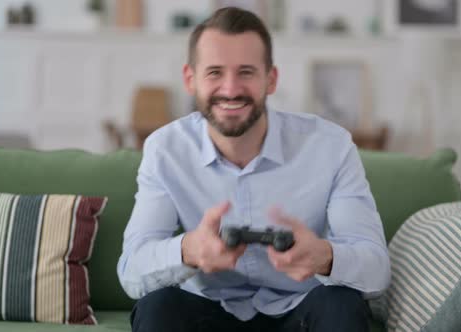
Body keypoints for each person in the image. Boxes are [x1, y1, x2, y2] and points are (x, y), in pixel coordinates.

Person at [117, 6, 390, 332]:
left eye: (246, 72)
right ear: (191, 80)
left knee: (342, 304)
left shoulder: (331, 146)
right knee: (157, 306)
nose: (231, 89)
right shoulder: (165, 150)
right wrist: (189, 250)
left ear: (270, 79)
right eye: (215, 72)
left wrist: (325, 257)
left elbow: (376, 271)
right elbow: (132, 271)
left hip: (299, 310)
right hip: (207, 310)